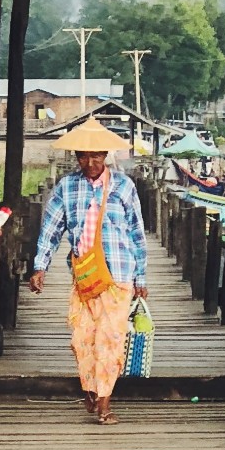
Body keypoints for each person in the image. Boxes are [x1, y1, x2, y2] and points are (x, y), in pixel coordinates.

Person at [31, 119, 147, 423]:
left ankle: (105, 402)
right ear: (77, 156)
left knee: (109, 338)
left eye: (96, 155)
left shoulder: (124, 186)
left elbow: (137, 232)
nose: (90, 162)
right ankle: (91, 388)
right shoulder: (66, 187)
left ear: (106, 155)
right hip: (84, 275)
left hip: (119, 273)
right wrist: (39, 266)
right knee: (82, 338)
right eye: (83, 155)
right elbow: (51, 229)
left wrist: (142, 276)